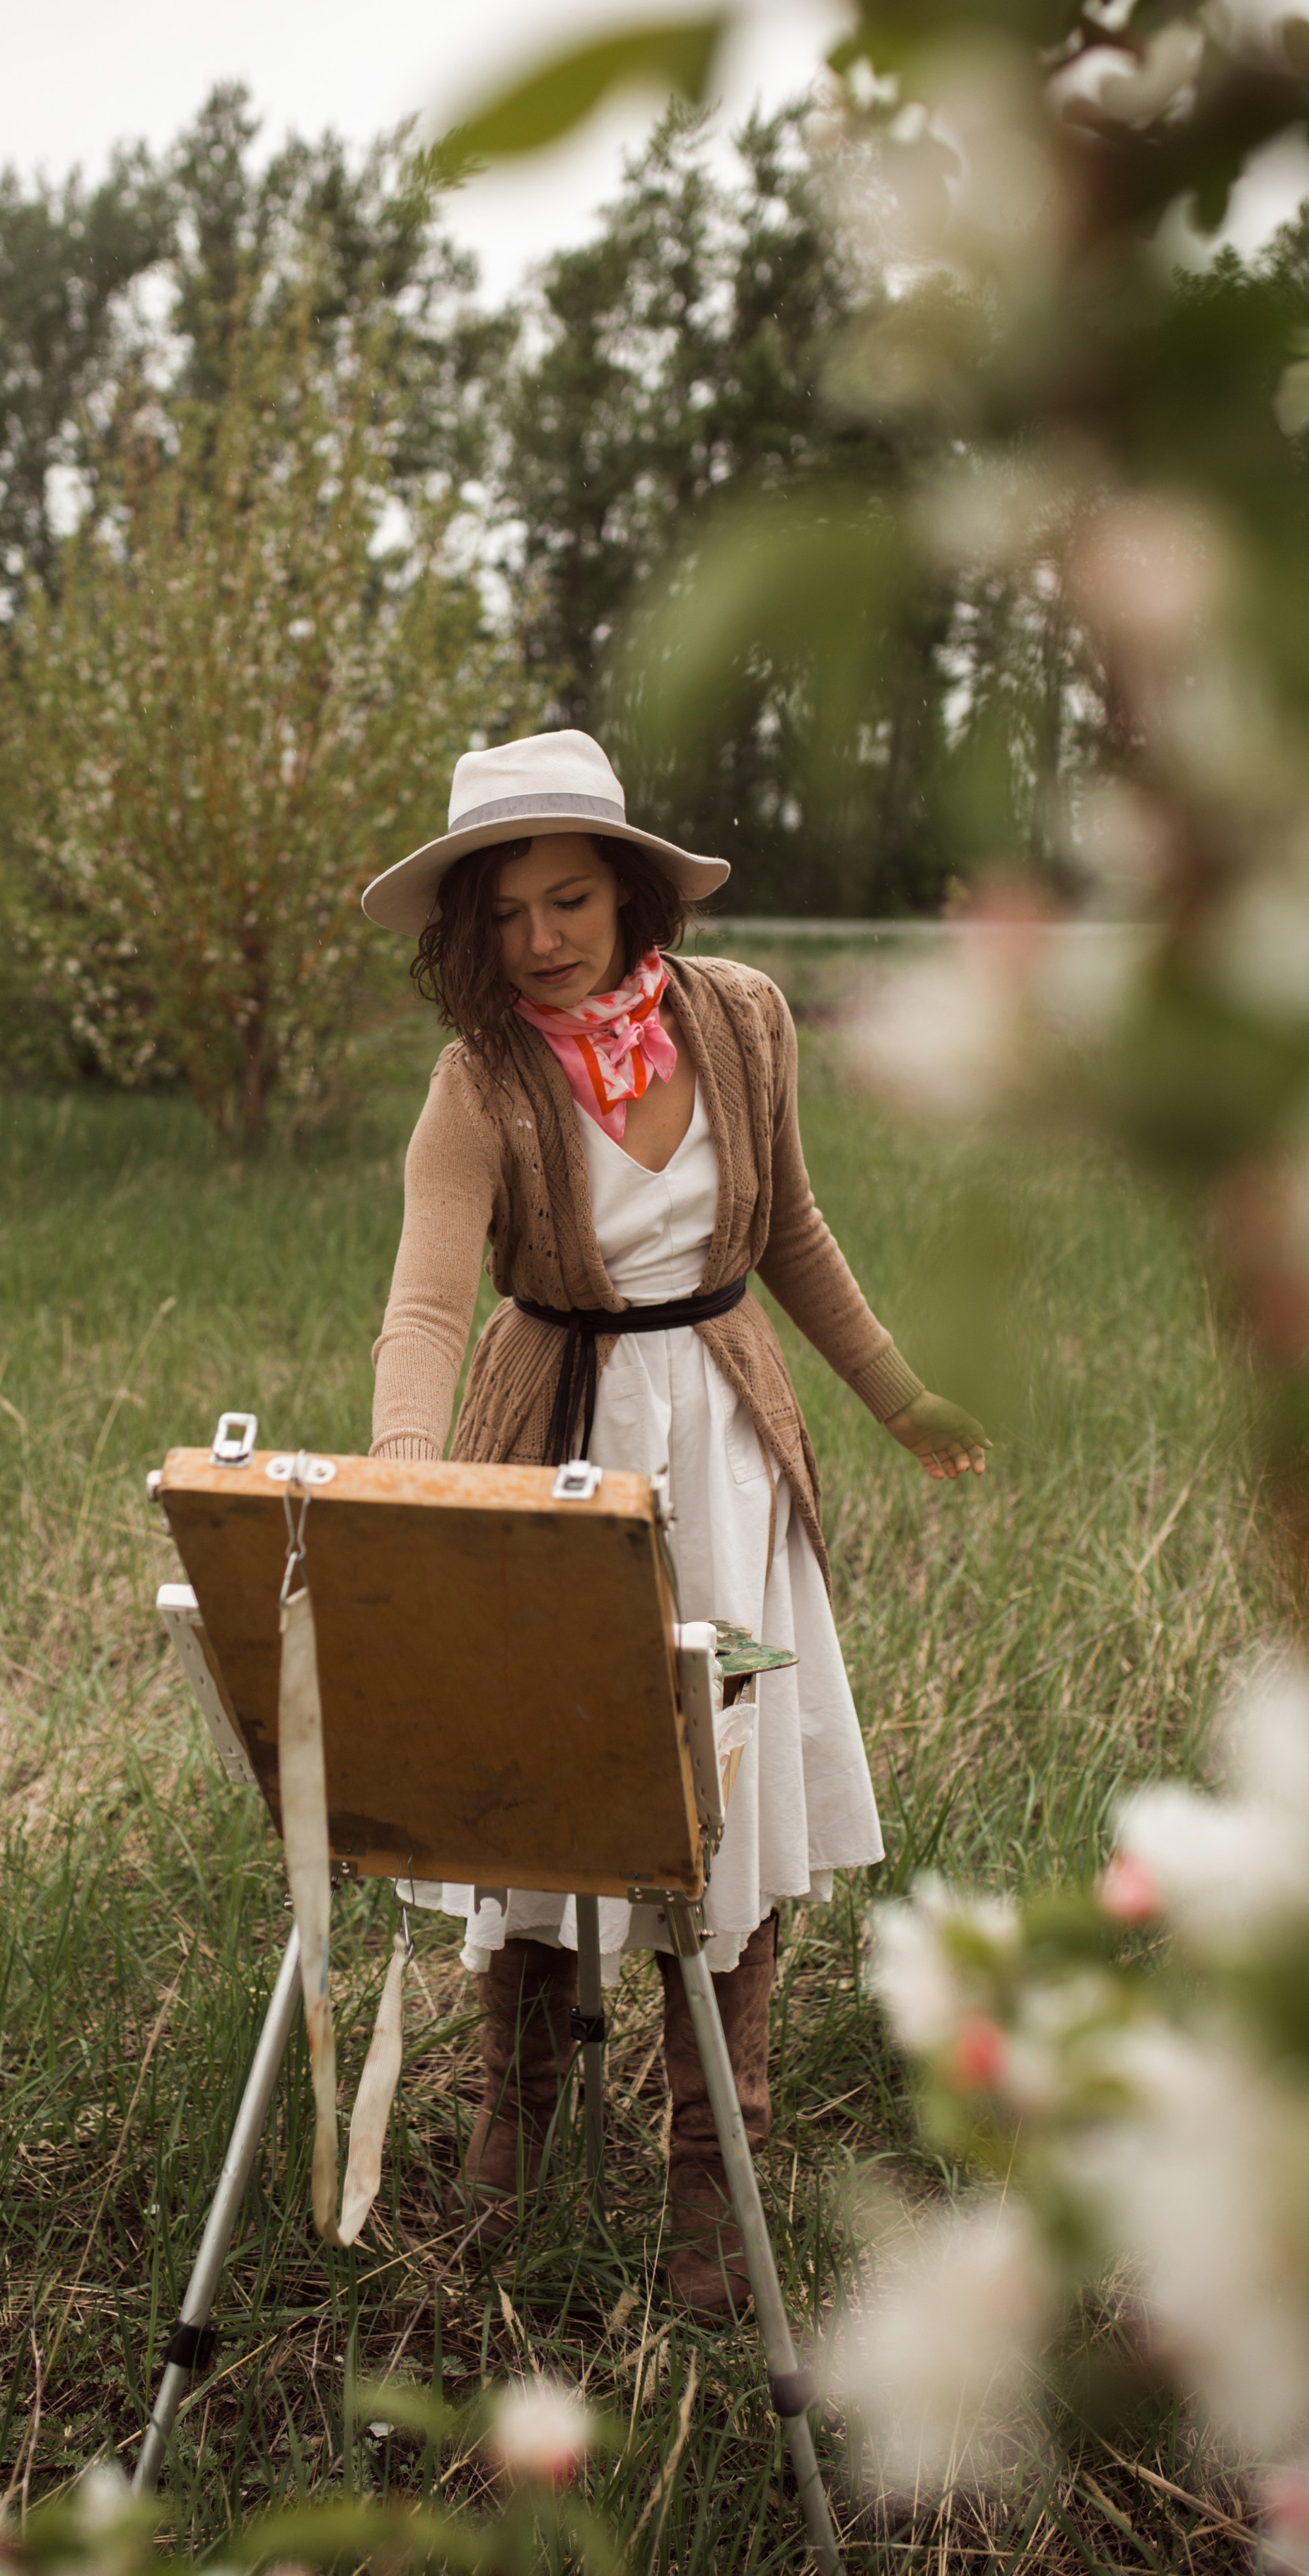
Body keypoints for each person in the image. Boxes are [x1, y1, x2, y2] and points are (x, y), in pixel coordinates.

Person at [360, 728, 987, 2320]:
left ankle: (714, 2159)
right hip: (554, 1447)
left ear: (628, 890)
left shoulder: (740, 1022)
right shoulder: (476, 1082)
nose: (542, 938)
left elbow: (786, 1227)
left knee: (724, 1793)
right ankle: (516, 2107)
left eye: (567, 898)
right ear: (466, 934)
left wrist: (899, 1396)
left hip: (718, 1446)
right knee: (543, 1777)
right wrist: (400, 1475)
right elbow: (428, 1305)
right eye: (502, 916)